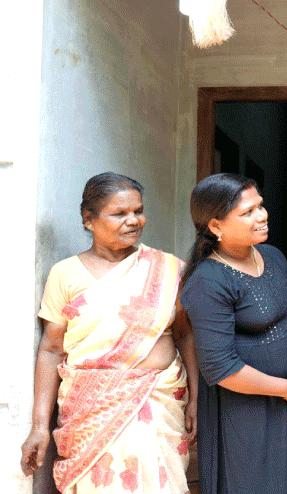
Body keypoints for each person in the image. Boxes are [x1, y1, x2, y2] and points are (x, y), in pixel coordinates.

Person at [20, 172, 198, 493]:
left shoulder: (169, 270)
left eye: (138, 211)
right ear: (89, 220)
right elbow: (51, 349)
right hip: (91, 411)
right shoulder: (65, 274)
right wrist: (38, 426)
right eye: (120, 214)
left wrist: (198, 397)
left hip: (158, 403)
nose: (134, 221)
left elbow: (185, 335)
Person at [180, 173, 287, 494]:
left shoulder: (273, 256)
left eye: (261, 205)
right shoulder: (208, 281)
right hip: (244, 414)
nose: (262, 215)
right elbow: (220, 368)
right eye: (248, 212)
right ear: (216, 227)